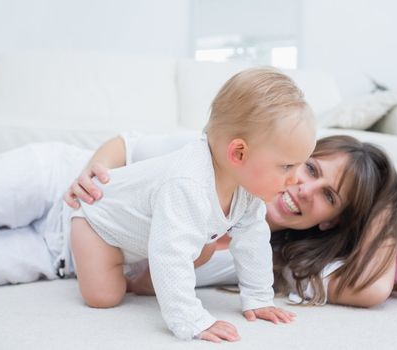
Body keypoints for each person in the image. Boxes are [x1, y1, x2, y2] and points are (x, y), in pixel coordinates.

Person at [66, 67, 315, 341]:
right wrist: (191, 320)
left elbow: (252, 243)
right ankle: (122, 273)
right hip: (99, 223)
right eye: (287, 166)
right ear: (239, 153)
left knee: (203, 249)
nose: (294, 178)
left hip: (143, 237)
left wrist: (258, 297)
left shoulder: (247, 191)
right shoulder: (187, 182)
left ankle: (140, 281)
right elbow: (170, 252)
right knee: (105, 296)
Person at [66, 133, 397, 308]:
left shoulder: (267, 261)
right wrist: (87, 178)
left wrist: (385, 204)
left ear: (331, 222)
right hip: (60, 185)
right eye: (311, 168)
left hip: (64, 257)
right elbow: (125, 144)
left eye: (329, 196)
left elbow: (370, 289)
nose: (306, 190)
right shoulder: (211, 159)